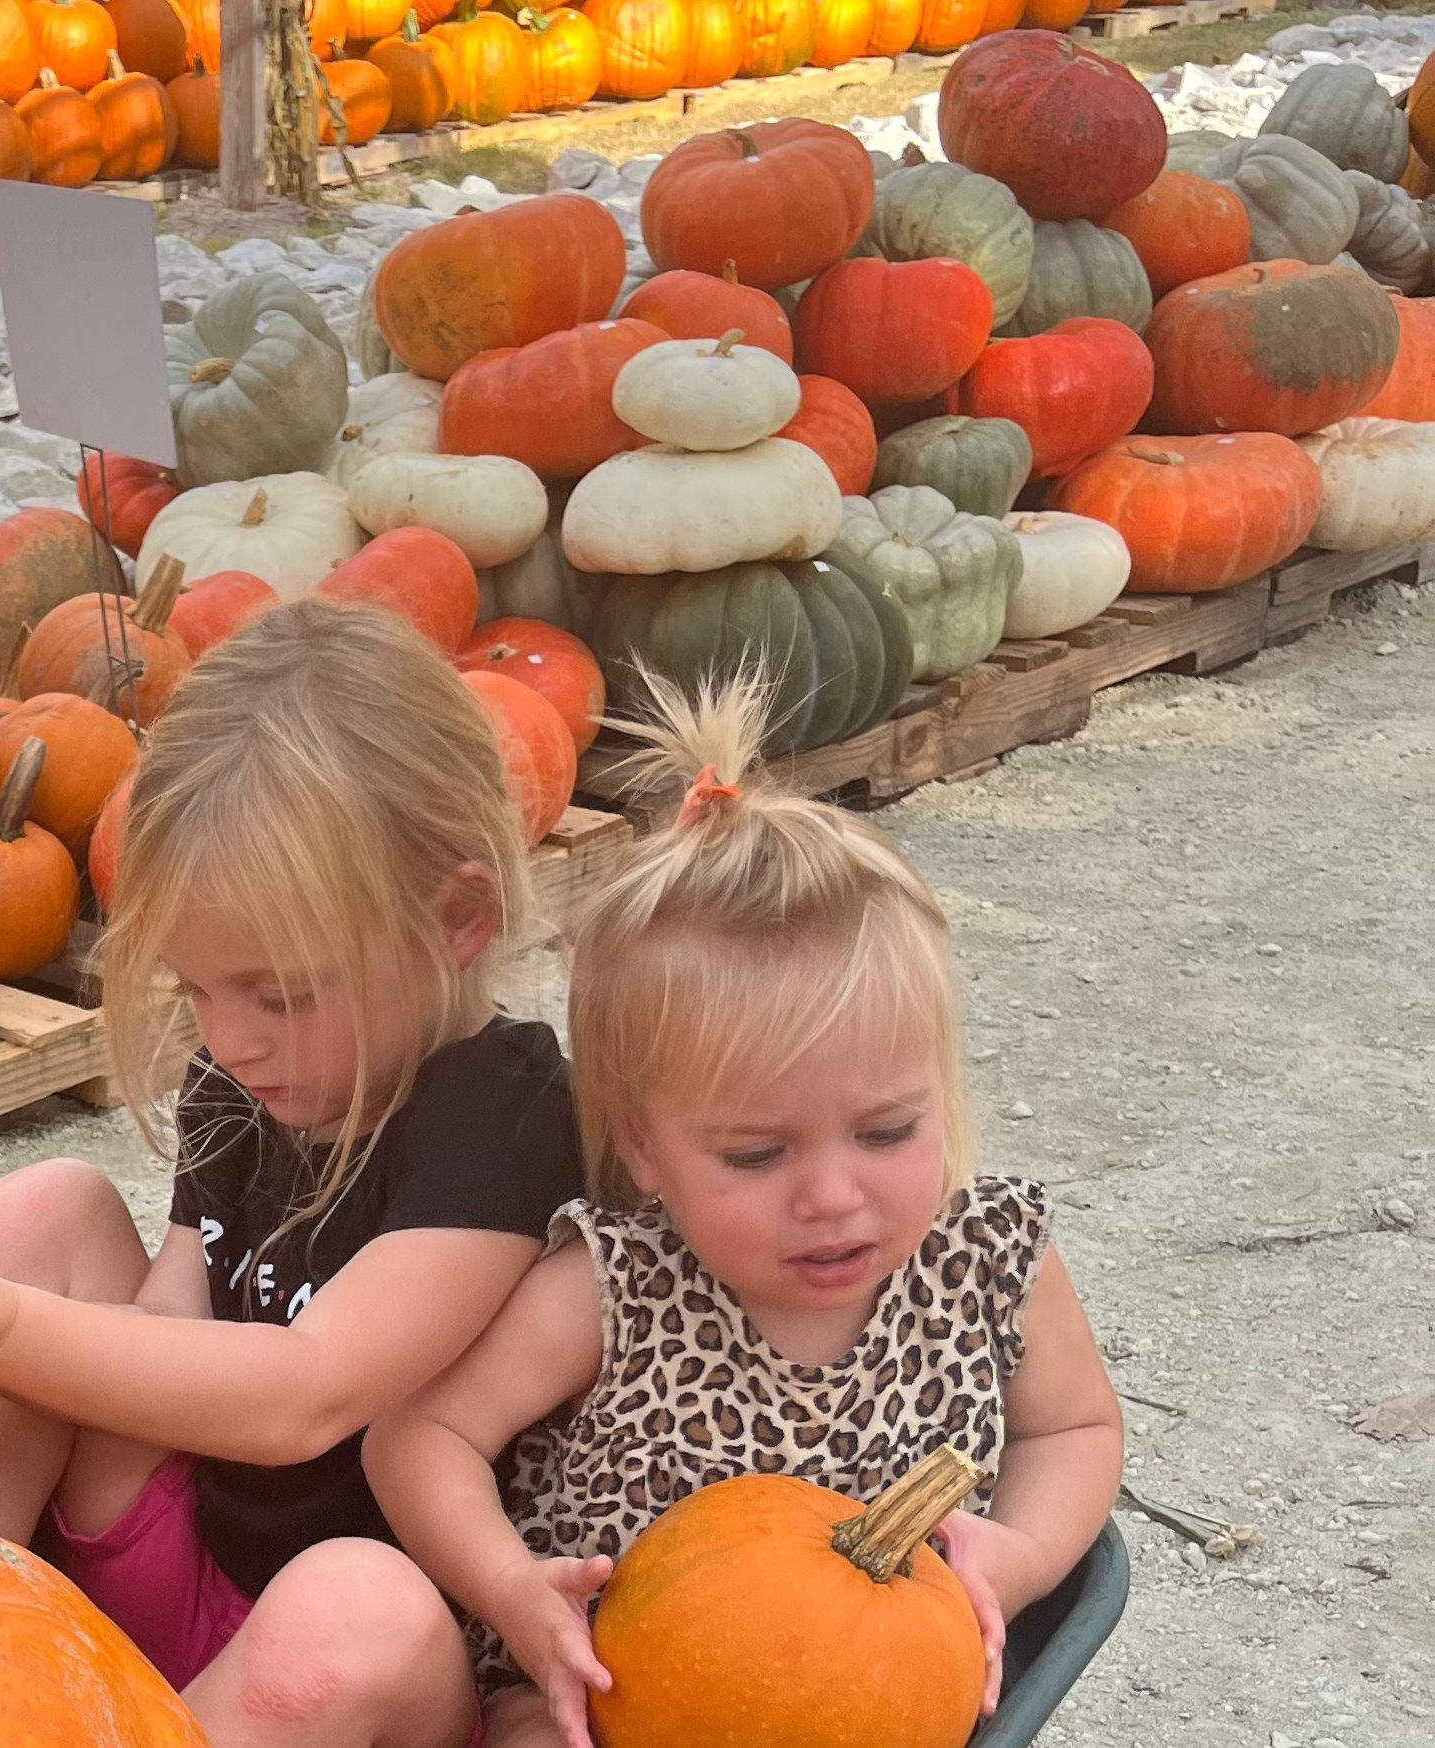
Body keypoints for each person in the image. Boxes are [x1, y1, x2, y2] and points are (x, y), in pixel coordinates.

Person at [0, 596, 583, 1748]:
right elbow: (173, 1311)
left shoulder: (506, 1114)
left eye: (277, 993)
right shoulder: (252, 1071)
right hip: (171, 1565)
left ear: (456, 917)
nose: (230, 1037)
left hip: (348, 1675)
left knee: (360, 1599)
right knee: (57, 1206)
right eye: (197, 992)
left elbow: (311, 1390)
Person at [362, 675, 1126, 1748]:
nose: (829, 1194)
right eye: (758, 1153)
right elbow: (419, 1435)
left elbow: (1077, 1426)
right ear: (644, 1146)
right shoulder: (614, 1287)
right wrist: (510, 1588)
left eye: (888, 1132)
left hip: (880, 1704)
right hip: (615, 1704)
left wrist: (1025, 1552)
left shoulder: (989, 1256)